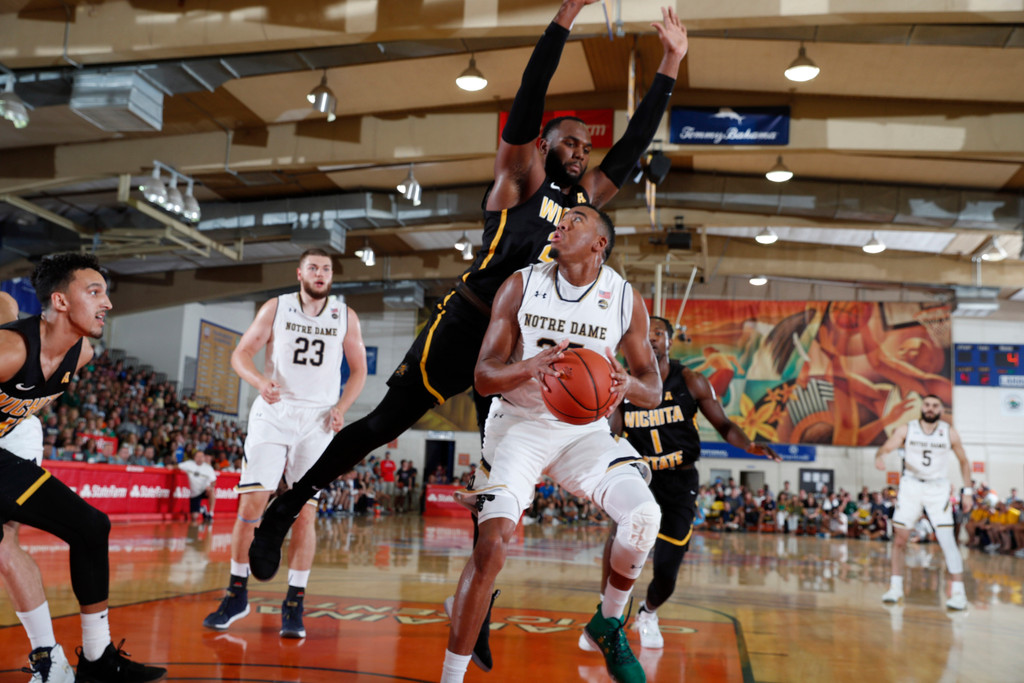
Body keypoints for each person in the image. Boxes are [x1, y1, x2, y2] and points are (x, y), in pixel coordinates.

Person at [249, 0, 687, 667]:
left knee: (495, 486)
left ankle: (476, 611)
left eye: (585, 145)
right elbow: (525, 106)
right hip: (465, 323)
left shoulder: (583, 209)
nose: (580, 151)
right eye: (569, 141)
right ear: (542, 146)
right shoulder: (519, 180)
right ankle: (288, 506)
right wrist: (563, 21)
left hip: (516, 354)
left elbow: (629, 151)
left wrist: (670, 66)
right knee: (381, 425)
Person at [441, 204, 662, 683]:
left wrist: (626, 385)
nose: (562, 221)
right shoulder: (521, 284)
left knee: (645, 515)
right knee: (491, 548)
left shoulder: (625, 299)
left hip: (584, 432)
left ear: (599, 244)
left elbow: (653, 387)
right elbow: (483, 377)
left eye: (577, 219)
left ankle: (608, 622)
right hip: (519, 424)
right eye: (563, 217)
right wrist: (529, 368)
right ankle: (451, 676)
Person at [0, 254, 165, 682]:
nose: (107, 302)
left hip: (14, 431)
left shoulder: (83, 353)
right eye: (94, 292)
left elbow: (32, 397)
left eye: (105, 292)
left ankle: (72, 659)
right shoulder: (11, 350)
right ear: (59, 301)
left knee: (15, 542)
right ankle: (85, 660)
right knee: (88, 525)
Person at [202, 248, 367, 639]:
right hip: (274, 413)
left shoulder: (345, 316)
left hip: (318, 421)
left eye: (326, 269)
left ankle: (294, 602)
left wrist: (342, 407)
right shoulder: (276, 308)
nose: (320, 273)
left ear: (331, 276)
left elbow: (359, 370)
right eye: (313, 268)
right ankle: (237, 593)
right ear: (299, 273)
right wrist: (260, 382)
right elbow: (241, 354)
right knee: (251, 504)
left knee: (304, 513)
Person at [604, 316, 778, 649]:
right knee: (618, 541)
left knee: (667, 572)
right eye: (645, 333)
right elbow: (611, 434)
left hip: (679, 480)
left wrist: (749, 444)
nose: (651, 338)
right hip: (640, 477)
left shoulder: (692, 380)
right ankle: (607, 613)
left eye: (658, 333)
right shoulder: (623, 382)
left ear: (671, 341)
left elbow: (724, 425)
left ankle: (648, 612)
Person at [875, 394, 972, 610]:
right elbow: (886, 447)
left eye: (935, 405)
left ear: (941, 410)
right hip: (911, 485)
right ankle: (896, 587)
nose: (930, 408)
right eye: (927, 404)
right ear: (922, 407)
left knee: (947, 540)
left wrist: (968, 491)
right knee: (900, 539)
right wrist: (879, 456)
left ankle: (959, 593)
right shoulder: (907, 429)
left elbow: (964, 461)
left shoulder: (949, 432)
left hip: (937, 488)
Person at [178, 449, 217, 522]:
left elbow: (214, 481)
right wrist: (171, 466)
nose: (199, 458)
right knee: (194, 516)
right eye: (197, 456)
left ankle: (211, 513)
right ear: (194, 457)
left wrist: (211, 486)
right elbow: (178, 466)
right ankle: (202, 509)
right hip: (194, 493)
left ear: (204, 458)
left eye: (201, 456)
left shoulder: (208, 468)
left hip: (204, 490)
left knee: (212, 491)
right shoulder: (189, 464)